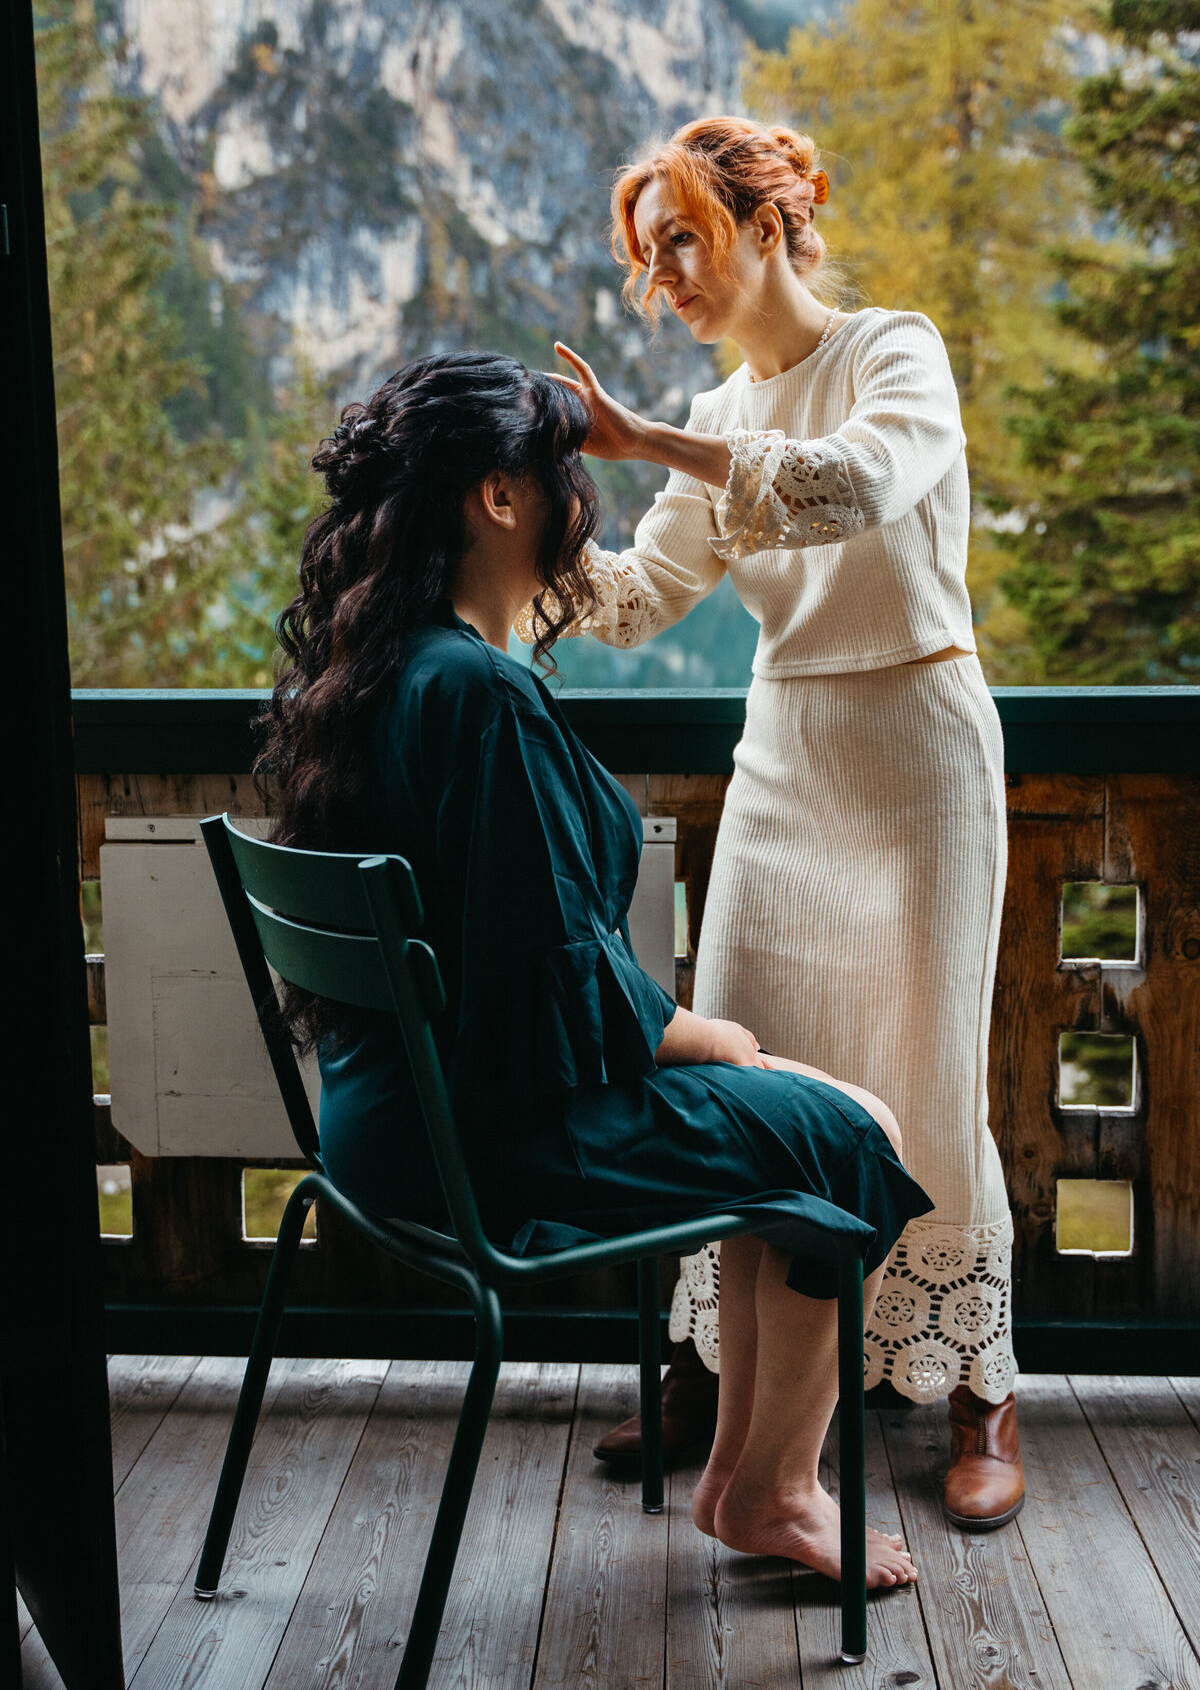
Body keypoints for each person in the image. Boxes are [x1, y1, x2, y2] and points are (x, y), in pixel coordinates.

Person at [256, 348, 931, 1587]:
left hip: (377, 1128)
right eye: (560, 468)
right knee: (856, 1129)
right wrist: (701, 1035)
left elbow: (510, 960)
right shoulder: (483, 701)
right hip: (493, 1140)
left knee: (797, 1133)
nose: (581, 493)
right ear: (497, 500)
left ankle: (744, 1480)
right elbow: (553, 984)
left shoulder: (381, 669)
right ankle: (772, 1489)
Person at [524, 115, 1024, 1531]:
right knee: (749, 1048)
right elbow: (631, 602)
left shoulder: (892, 350)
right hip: (787, 753)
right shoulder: (722, 420)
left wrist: (644, 436)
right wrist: (507, 544)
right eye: (645, 255)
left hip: (918, 746)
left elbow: (857, 484)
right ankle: (716, 1366)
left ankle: (978, 1386)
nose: (660, 275)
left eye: (678, 236)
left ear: (762, 219)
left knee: (930, 1064)